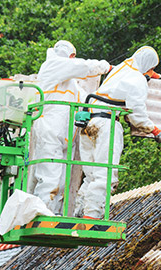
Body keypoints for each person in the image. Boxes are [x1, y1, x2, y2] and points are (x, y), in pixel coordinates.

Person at [74, 46, 161, 219]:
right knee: (105, 175)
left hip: (89, 121)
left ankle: (78, 215)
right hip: (106, 124)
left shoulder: (122, 69)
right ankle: (91, 219)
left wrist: (152, 75)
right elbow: (136, 113)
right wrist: (154, 130)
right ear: (147, 66)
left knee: (91, 175)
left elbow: (131, 74)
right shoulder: (137, 79)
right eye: (152, 68)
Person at [32, 40, 111, 214]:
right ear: (72, 56)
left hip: (63, 135)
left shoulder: (70, 84)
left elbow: (87, 99)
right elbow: (84, 67)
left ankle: (54, 214)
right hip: (50, 130)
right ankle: (41, 214)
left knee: (60, 181)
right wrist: (106, 67)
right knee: (49, 177)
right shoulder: (53, 64)